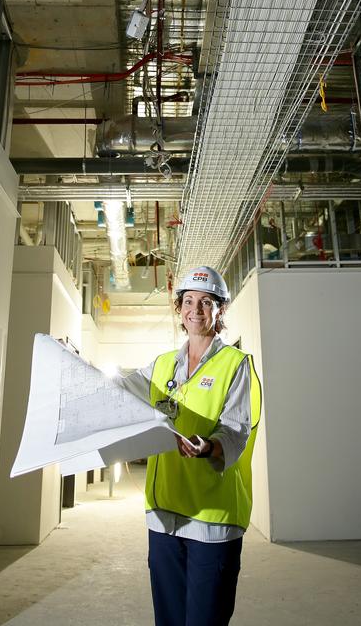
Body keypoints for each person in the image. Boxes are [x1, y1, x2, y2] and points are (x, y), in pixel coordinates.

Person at [119, 265, 262, 626]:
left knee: (204, 620)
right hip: (164, 514)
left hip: (212, 521)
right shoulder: (163, 365)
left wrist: (209, 446)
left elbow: (236, 431)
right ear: (179, 307)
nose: (195, 309)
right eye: (188, 301)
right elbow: (118, 392)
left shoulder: (236, 365)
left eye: (205, 301)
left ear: (221, 309)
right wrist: (75, 365)